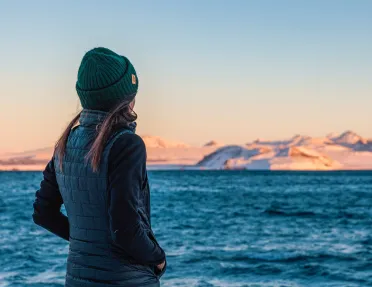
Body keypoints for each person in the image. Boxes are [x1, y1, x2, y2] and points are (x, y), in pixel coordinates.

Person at [32, 47, 167, 287]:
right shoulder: (126, 144)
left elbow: (44, 213)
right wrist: (158, 258)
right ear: (125, 98)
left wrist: (88, 241)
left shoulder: (66, 143)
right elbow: (125, 229)